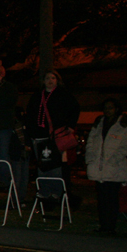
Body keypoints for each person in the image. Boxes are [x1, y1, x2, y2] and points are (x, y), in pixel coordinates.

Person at [25, 69, 80, 201]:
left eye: (53, 78)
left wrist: (71, 126)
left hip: (55, 136)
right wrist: (30, 134)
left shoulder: (63, 94)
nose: (50, 81)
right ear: (43, 81)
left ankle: (56, 191)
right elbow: (30, 114)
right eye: (48, 78)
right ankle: (44, 190)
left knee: (55, 164)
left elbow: (75, 108)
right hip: (39, 135)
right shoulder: (37, 95)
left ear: (57, 80)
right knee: (42, 165)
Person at [85, 98, 127, 234]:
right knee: (101, 199)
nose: (108, 110)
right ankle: (104, 226)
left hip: (114, 169)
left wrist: (114, 159)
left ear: (116, 109)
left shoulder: (124, 125)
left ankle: (110, 227)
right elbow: (90, 141)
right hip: (99, 168)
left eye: (110, 108)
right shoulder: (99, 123)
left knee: (111, 199)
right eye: (106, 108)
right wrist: (90, 157)